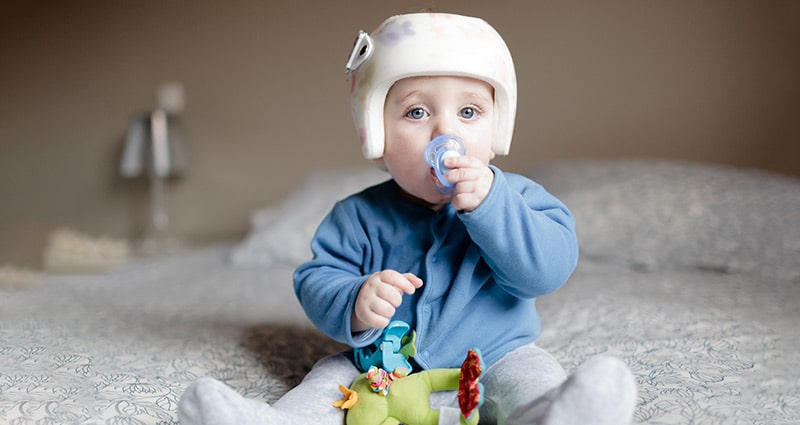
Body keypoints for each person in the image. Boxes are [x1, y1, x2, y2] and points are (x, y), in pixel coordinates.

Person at [178, 12, 637, 425]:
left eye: (469, 111)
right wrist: (356, 300)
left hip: (496, 355)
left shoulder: (519, 198)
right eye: (417, 112)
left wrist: (492, 207)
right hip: (379, 362)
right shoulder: (356, 216)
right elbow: (315, 279)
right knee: (326, 382)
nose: (447, 131)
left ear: (498, 125)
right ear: (376, 130)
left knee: (531, 377)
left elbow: (547, 271)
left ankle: (562, 415)